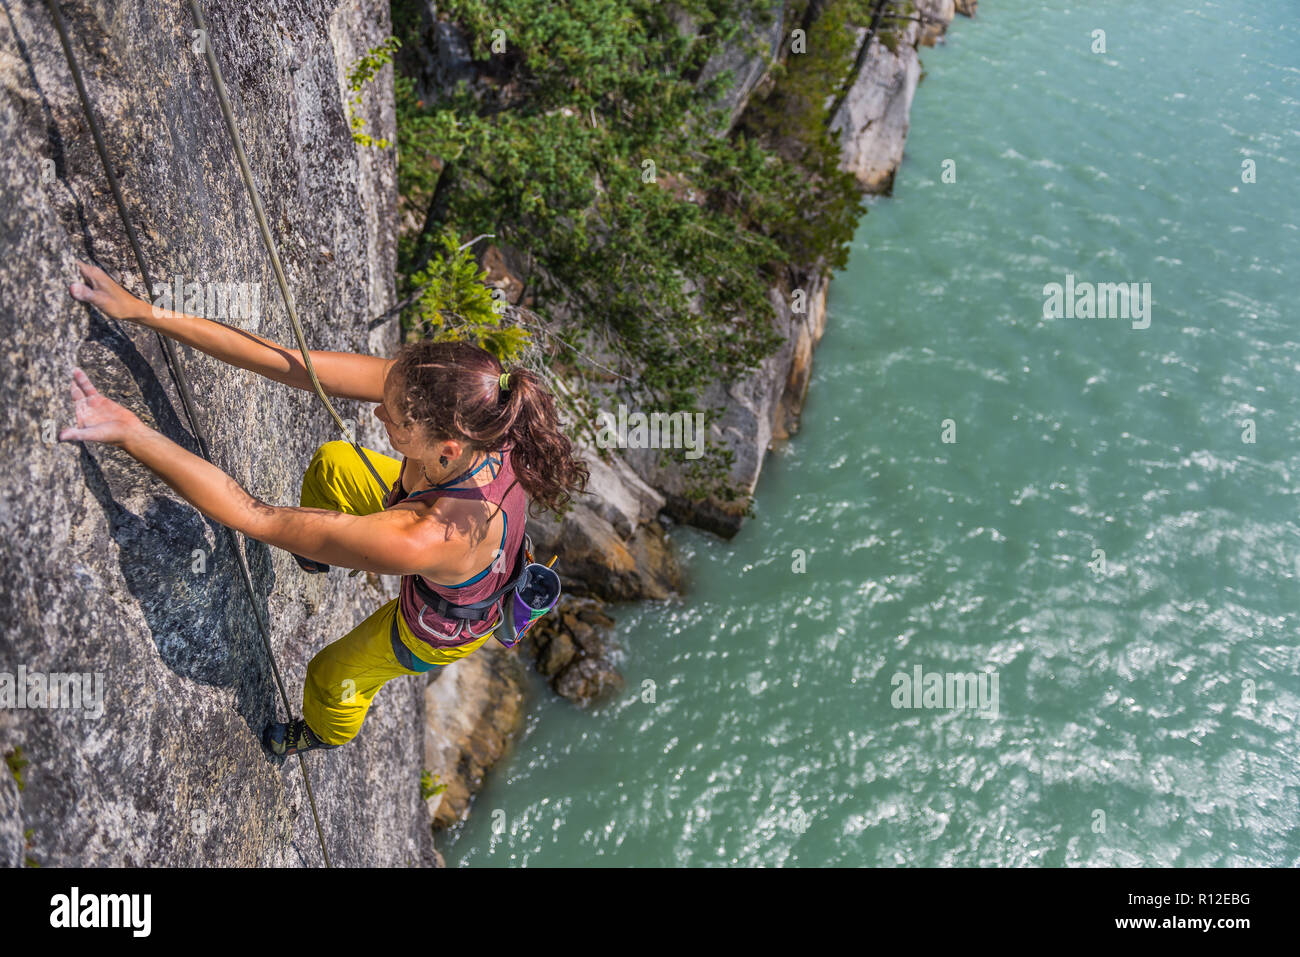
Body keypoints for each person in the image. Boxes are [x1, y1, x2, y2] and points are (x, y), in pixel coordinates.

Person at [60, 262, 588, 756]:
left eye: (395, 416)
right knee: (335, 464)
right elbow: (290, 364)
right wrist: (143, 311)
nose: (379, 409)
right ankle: (320, 555)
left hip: (442, 622)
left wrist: (131, 432)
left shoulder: (419, 537)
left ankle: (318, 733)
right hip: (446, 518)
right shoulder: (482, 413)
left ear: (446, 449)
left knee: (333, 676)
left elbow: (253, 515)